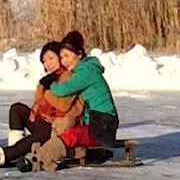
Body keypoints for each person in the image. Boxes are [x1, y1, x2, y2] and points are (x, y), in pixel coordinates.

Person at [0, 41, 72, 171]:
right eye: (44, 61)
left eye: (51, 58)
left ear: (60, 57)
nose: (48, 64)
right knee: (17, 109)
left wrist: (48, 89)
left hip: (56, 127)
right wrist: (42, 86)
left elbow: (63, 105)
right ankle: (14, 155)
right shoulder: (48, 79)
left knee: (37, 134)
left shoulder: (69, 77)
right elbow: (39, 101)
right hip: (42, 121)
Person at [26, 29, 119, 172]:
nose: (64, 61)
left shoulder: (86, 71)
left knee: (72, 135)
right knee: (69, 132)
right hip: (96, 121)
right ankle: (43, 155)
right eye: (62, 57)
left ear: (79, 54)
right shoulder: (84, 69)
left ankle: (40, 158)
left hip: (103, 124)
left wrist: (49, 83)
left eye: (67, 56)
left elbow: (62, 90)